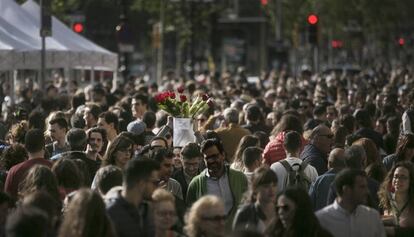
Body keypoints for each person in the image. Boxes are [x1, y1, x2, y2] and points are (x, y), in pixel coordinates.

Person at [186, 139, 248, 228]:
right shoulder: (196, 184)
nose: (211, 161)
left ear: (223, 155)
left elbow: (248, 207)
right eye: (207, 158)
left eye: (214, 156)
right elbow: (190, 216)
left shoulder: (239, 178)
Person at [316, 169, 386, 237]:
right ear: (346, 190)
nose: (367, 191)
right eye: (362, 187)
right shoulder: (322, 219)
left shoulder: (372, 217)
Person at [106, 158, 160, 237]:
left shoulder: (147, 209)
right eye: (155, 183)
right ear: (141, 183)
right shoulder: (110, 214)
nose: (157, 188)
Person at [265, 187, 332, 237]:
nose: (280, 212)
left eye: (285, 208)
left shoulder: (319, 234)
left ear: (300, 209)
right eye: (278, 208)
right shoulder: (272, 233)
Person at [4, 129, 52, 199]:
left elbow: (7, 201)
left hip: (22, 209)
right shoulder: (54, 168)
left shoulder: (14, 171)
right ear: (44, 146)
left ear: (25, 147)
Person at [233, 167, 277, 233]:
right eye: (266, 186)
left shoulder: (281, 210)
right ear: (255, 188)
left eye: (274, 185)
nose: (272, 190)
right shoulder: (244, 213)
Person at [378, 162, 414, 236]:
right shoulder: (385, 200)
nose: (397, 180)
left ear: (411, 181)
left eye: (403, 177)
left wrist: (391, 230)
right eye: (396, 176)